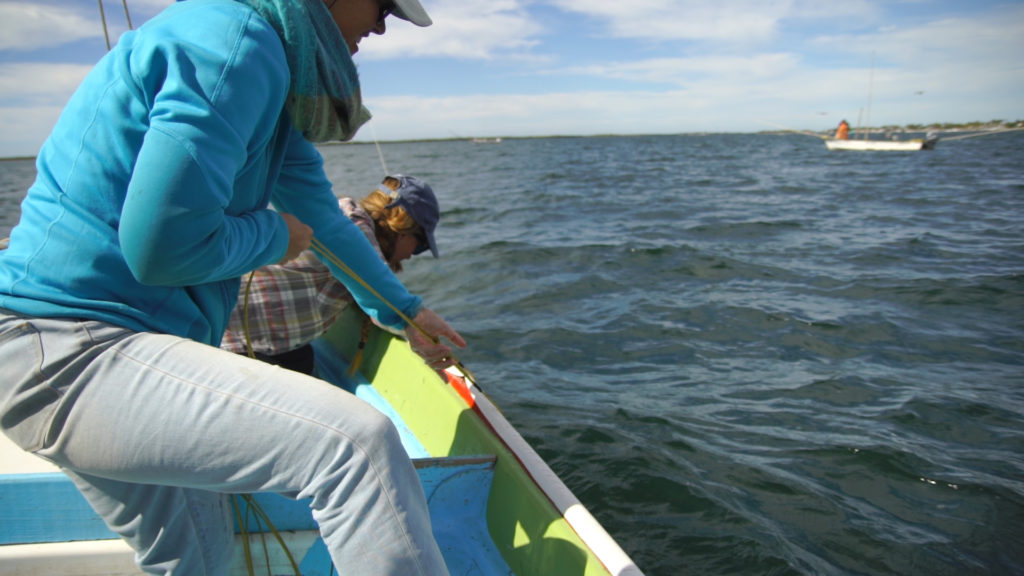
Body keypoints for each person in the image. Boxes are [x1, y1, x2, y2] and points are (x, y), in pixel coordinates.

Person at [0, 1, 462, 574]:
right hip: (69, 351)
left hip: (91, 353)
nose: (382, 23)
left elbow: (326, 222)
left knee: (199, 562)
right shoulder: (237, 44)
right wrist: (273, 233)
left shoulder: (269, 83)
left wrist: (408, 316)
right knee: (356, 448)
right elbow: (162, 246)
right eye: (382, 3)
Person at [222, 174, 441, 375]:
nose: (413, 255)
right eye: (420, 245)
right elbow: (386, 311)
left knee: (304, 362)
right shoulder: (356, 232)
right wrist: (420, 330)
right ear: (401, 226)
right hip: (240, 344)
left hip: (271, 342)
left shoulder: (340, 215)